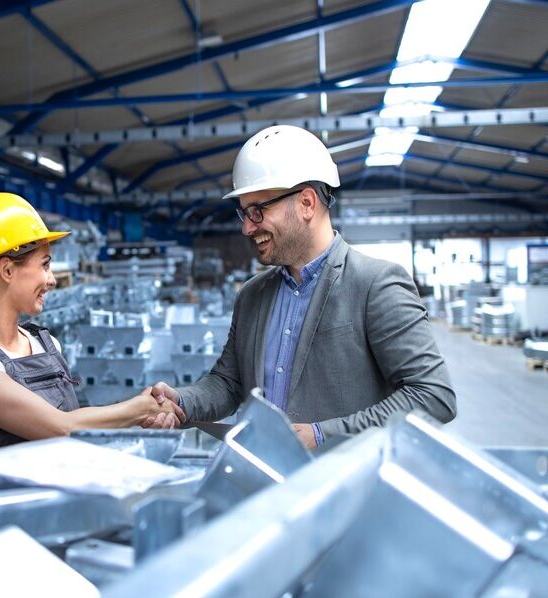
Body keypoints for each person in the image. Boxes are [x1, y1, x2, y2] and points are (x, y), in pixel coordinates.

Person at [150, 125, 456, 448]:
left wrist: (323, 434)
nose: (246, 227)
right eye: (244, 212)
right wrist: (181, 401)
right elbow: (229, 382)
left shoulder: (375, 284)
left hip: (343, 487)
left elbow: (433, 395)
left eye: (257, 211)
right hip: (264, 478)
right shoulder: (252, 296)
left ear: (307, 203)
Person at [0, 192, 181, 454]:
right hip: (8, 495)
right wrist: (136, 409)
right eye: (45, 265)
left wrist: (139, 414)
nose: (52, 280)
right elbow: (59, 427)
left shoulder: (46, 344)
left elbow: (76, 432)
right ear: (7, 270)